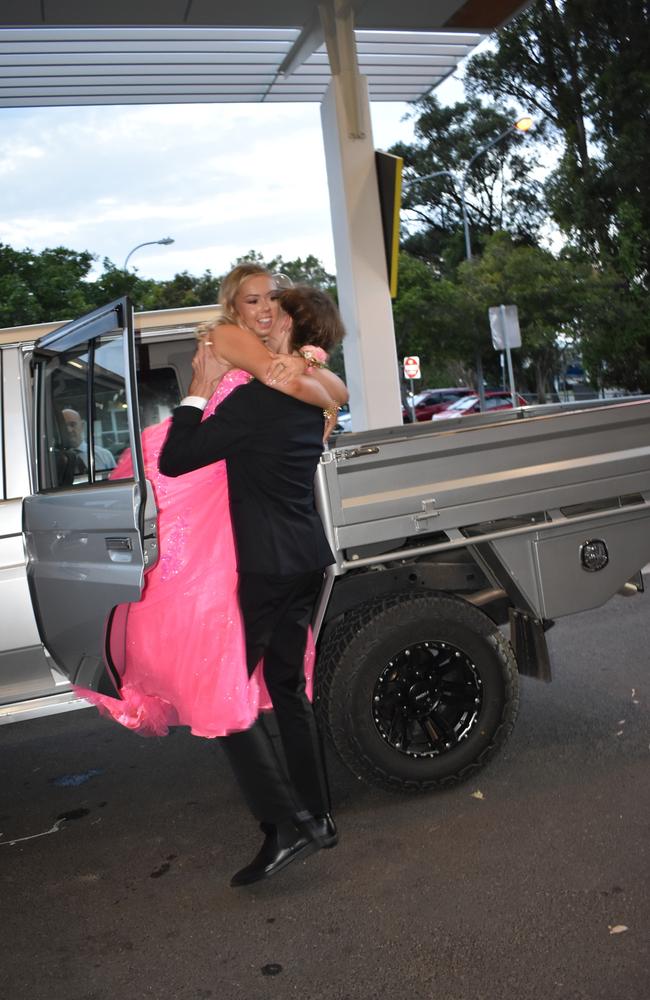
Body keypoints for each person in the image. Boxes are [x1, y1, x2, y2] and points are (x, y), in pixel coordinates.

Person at [78, 264, 346, 742]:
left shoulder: (284, 354)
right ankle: (221, 711)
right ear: (233, 307)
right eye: (252, 300)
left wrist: (313, 378)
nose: (265, 307)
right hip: (198, 469)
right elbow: (284, 382)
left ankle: (236, 719)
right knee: (184, 583)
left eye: (272, 298)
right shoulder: (227, 337)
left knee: (227, 601)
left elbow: (334, 392)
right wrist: (312, 383)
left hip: (229, 471)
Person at [159, 285, 345, 887]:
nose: (265, 318)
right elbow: (329, 391)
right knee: (288, 690)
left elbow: (176, 458)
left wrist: (196, 391)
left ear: (291, 326)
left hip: (266, 568)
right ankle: (318, 815)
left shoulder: (257, 402)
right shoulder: (309, 401)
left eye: (276, 310)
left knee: (224, 696)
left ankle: (285, 826)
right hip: (307, 559)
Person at [62, 407, 117, 472]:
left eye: (72, 425)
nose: (69, 430)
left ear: (82, 426)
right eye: (64, 426)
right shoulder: (54, 460)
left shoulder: (104, 455)